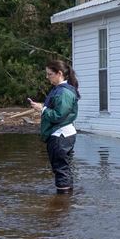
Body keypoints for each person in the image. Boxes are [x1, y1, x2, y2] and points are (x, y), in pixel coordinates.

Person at [28, 60, 80, 194]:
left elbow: (58, 115)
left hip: (60, 136)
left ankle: (62, 204)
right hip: (63, 134)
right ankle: (67, 203)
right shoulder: (61, 90)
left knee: (60, 168)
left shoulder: (64, 92)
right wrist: (42, 107)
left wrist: (43, 109)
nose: (47, 77)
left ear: (60, 73)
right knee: (63, 168)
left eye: (49, 74)